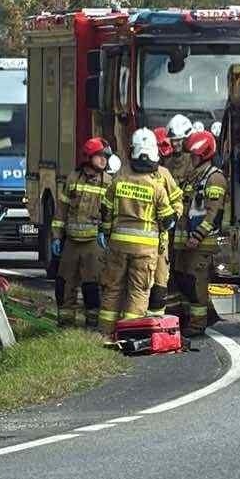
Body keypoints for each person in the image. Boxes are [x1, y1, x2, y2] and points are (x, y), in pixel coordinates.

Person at [97, 129, 176, 337]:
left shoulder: (120, 179)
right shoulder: (156, 186)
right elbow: (168, 219)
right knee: (138, 291)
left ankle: (106, 334)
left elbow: (105, 208)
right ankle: (130, 335)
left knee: (113, 288)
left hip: (117, 245)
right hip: (146, 249)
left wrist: (106, 231)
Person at [51, 138, 113, 327]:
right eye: (99, 156)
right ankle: (65, 323)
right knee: (64, 283)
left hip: (94, 244)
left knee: (92, 286)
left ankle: (92, 324)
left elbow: (111, 213)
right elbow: (61, 210)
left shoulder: (109, 182)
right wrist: (56, 236)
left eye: (106, 157)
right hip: (71, 243)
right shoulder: (73, 178)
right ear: (88, 157)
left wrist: (106, 233)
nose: (104, 160)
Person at [173, 130, 228, 337]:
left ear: (204, 154)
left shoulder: (214, 178)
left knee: (197, 284)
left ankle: (198, 324)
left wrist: (197, 236)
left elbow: (214, 213)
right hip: (185, 242)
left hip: (200, 243)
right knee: (185, 282)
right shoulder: (194, 176)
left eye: (194, 155)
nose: (191, 159)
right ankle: (194, 318)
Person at [148, 127, 185, 316]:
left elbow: (177, 199)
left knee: (162, 280)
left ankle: (162, 321)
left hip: (163, 237)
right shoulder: (129, 174)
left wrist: (174, 217)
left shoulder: (164, 172)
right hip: (143, 240)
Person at [163, 113, 195, 191]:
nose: (175, 144)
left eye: (179, 140)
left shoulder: (195, 161)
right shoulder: (166, 162)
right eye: (173, 140)